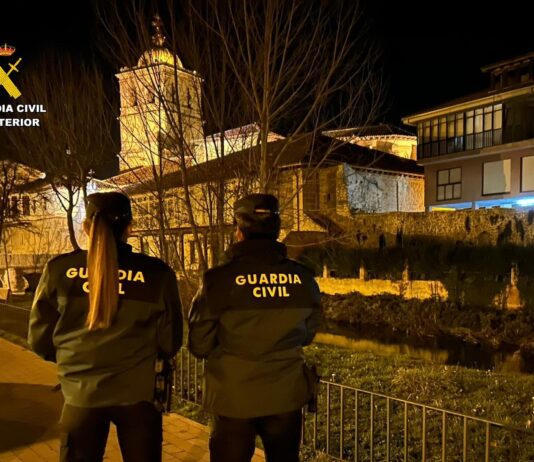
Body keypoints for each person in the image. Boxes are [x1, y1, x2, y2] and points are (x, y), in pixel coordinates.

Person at [28, 192, 183, 462]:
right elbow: (170, 341)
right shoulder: (157, 274)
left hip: (80, 395)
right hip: (139, 398)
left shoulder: (59, 271)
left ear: (87, 227)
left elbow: (39, 338)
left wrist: (73, 361)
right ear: (130, 227)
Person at [188, 193, 322, 462]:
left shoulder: (218, 280)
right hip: (285, 397)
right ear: (277, 230)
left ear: (239, 232)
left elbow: (199, 345)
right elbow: (306, 335)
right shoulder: (304, 278)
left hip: (233, 398)